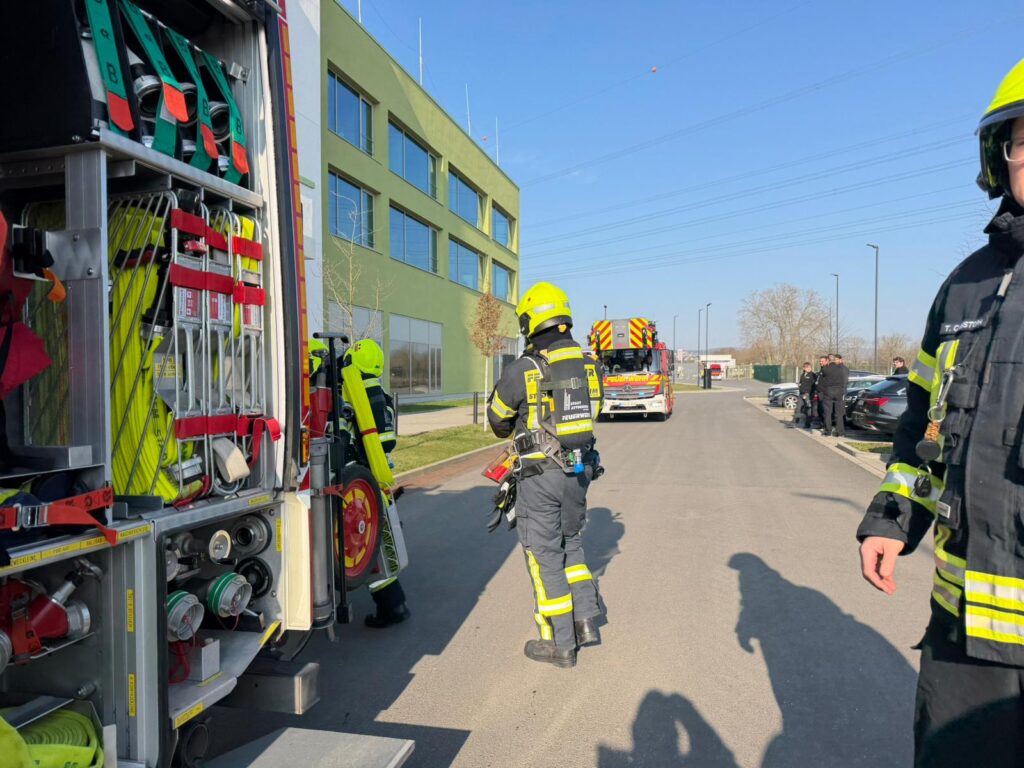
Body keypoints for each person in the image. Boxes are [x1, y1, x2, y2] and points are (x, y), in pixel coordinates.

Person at [857, 60, 1024, 767]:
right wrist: (893, 520)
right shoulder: (964, 288)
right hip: (963, 645)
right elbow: (925, 426)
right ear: (1000, 156)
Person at [487, 281, 604, 668]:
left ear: (529, 323)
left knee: (544, 557)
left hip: (539, 477)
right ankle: (586, 621)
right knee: (572, 544)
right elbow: (595, 412)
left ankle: (560, 643)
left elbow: (498, 420)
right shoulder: (590, 366)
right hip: (579, 472)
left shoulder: (522, 369)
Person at [343, 338, 410, 629]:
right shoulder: (381, 396)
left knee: (371, 542)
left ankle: (393, 606)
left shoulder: (353, 394)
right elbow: (387, 441)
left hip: (359, 479)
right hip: (373, 477)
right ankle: (393, 604)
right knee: (376, 538)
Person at [817, 353, 847, 437]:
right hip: (839, 391)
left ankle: (828, 431)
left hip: (828, 391)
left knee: (828, 412)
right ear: (835, 359)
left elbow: (823, 378)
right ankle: (840, 432)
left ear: (828, 360)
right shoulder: (842, 368)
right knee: (839, 413)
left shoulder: (825, 369)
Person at [796, 361, 816, 430]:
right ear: (804, 368)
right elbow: (801, 383)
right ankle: (796, 421)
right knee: (798, 408)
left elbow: (813, 385)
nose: (808, 368)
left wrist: (808, 392)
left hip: (807, 394)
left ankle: (807, 424)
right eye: (807, 367)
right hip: (801, 394)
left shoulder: (813, 375)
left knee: (808, 409)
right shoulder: (802, 374)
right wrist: (799, 385)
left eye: (809, 367)